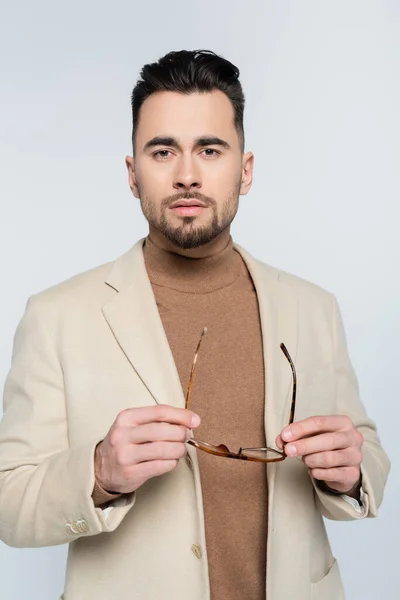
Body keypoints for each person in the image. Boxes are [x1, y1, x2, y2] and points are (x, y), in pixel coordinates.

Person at [0, 49, 390, 600]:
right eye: (163, 152)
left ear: (245, 170)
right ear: (133, 174)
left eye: (210, 149)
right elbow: (7, 503)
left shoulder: (314, 307)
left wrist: (351, 472)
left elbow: (366, 451)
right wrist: (99, 471)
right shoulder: (55, 316)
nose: (187, 174)